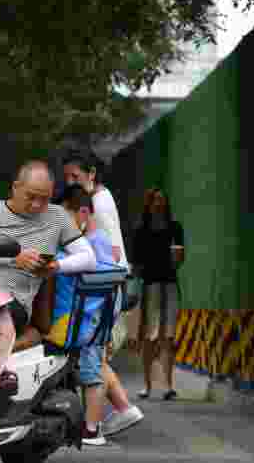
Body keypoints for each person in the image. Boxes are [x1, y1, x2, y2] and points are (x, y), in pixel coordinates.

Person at [0, 160, 96, 448]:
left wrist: (57, 266)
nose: (37, 205)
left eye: (44, 198)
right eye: (31, 196)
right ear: (15, 187)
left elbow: (88, 257)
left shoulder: (57, 217)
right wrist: (11, 257)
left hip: (10, 302)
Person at [55, 185, 144, 444]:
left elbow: (105, 285)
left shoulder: (96, 244)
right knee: (90, 370)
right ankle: (95, 423)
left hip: (90, 322)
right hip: (88, 322)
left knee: (91, 373)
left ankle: (92, 431)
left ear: (83, 213)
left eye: (65, 217)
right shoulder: (94, 242)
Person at [132, 188, 185, 400]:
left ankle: (167, 385)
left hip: (170, 284)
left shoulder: (175, 228)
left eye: (162, 200)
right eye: (155, 200)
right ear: (149, 203)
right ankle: (147, 385)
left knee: (169, 337)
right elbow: (135, 264)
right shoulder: (141, 230)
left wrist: (176, 257)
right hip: (149, 286)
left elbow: (180, 258)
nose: (159, 204)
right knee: (150, 337)